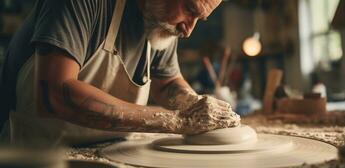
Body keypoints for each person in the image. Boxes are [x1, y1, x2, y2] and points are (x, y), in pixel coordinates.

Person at [0, 0, 240, 146]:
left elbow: (167, 85)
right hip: (35, 159)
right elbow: (54, 95)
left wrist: (193, 103)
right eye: (189, 8)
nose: (189, 30)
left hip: (109, 152)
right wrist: (176, 120)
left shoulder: (163, 22)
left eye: (200, 18)